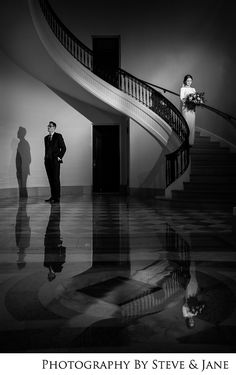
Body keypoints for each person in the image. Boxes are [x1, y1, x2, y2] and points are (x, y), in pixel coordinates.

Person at [44, 121, 66, 203]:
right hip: (47, 161)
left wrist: (59, 157)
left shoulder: (58, 136)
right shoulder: (46, 138)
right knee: (50, 179)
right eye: (48, 126)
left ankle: (57, 198)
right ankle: (52, 196)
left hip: (55, 161)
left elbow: (63, 148)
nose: (48, 127)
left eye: (50, 126)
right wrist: (45, 159)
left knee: (56, 179)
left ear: (54, 128)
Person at [180, 74, 196, 146]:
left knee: (192, 124)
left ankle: (190, 142)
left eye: (190, 81)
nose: (189, 82)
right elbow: (181, 98)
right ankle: (184, 140)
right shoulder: (182, 89)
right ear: (185, 81)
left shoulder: (193, 89)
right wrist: (188, 101)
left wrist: (195, 101)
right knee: (186, 123)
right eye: (188, 80)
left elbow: (195, 99)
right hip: (186, 108)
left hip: (192, 109)